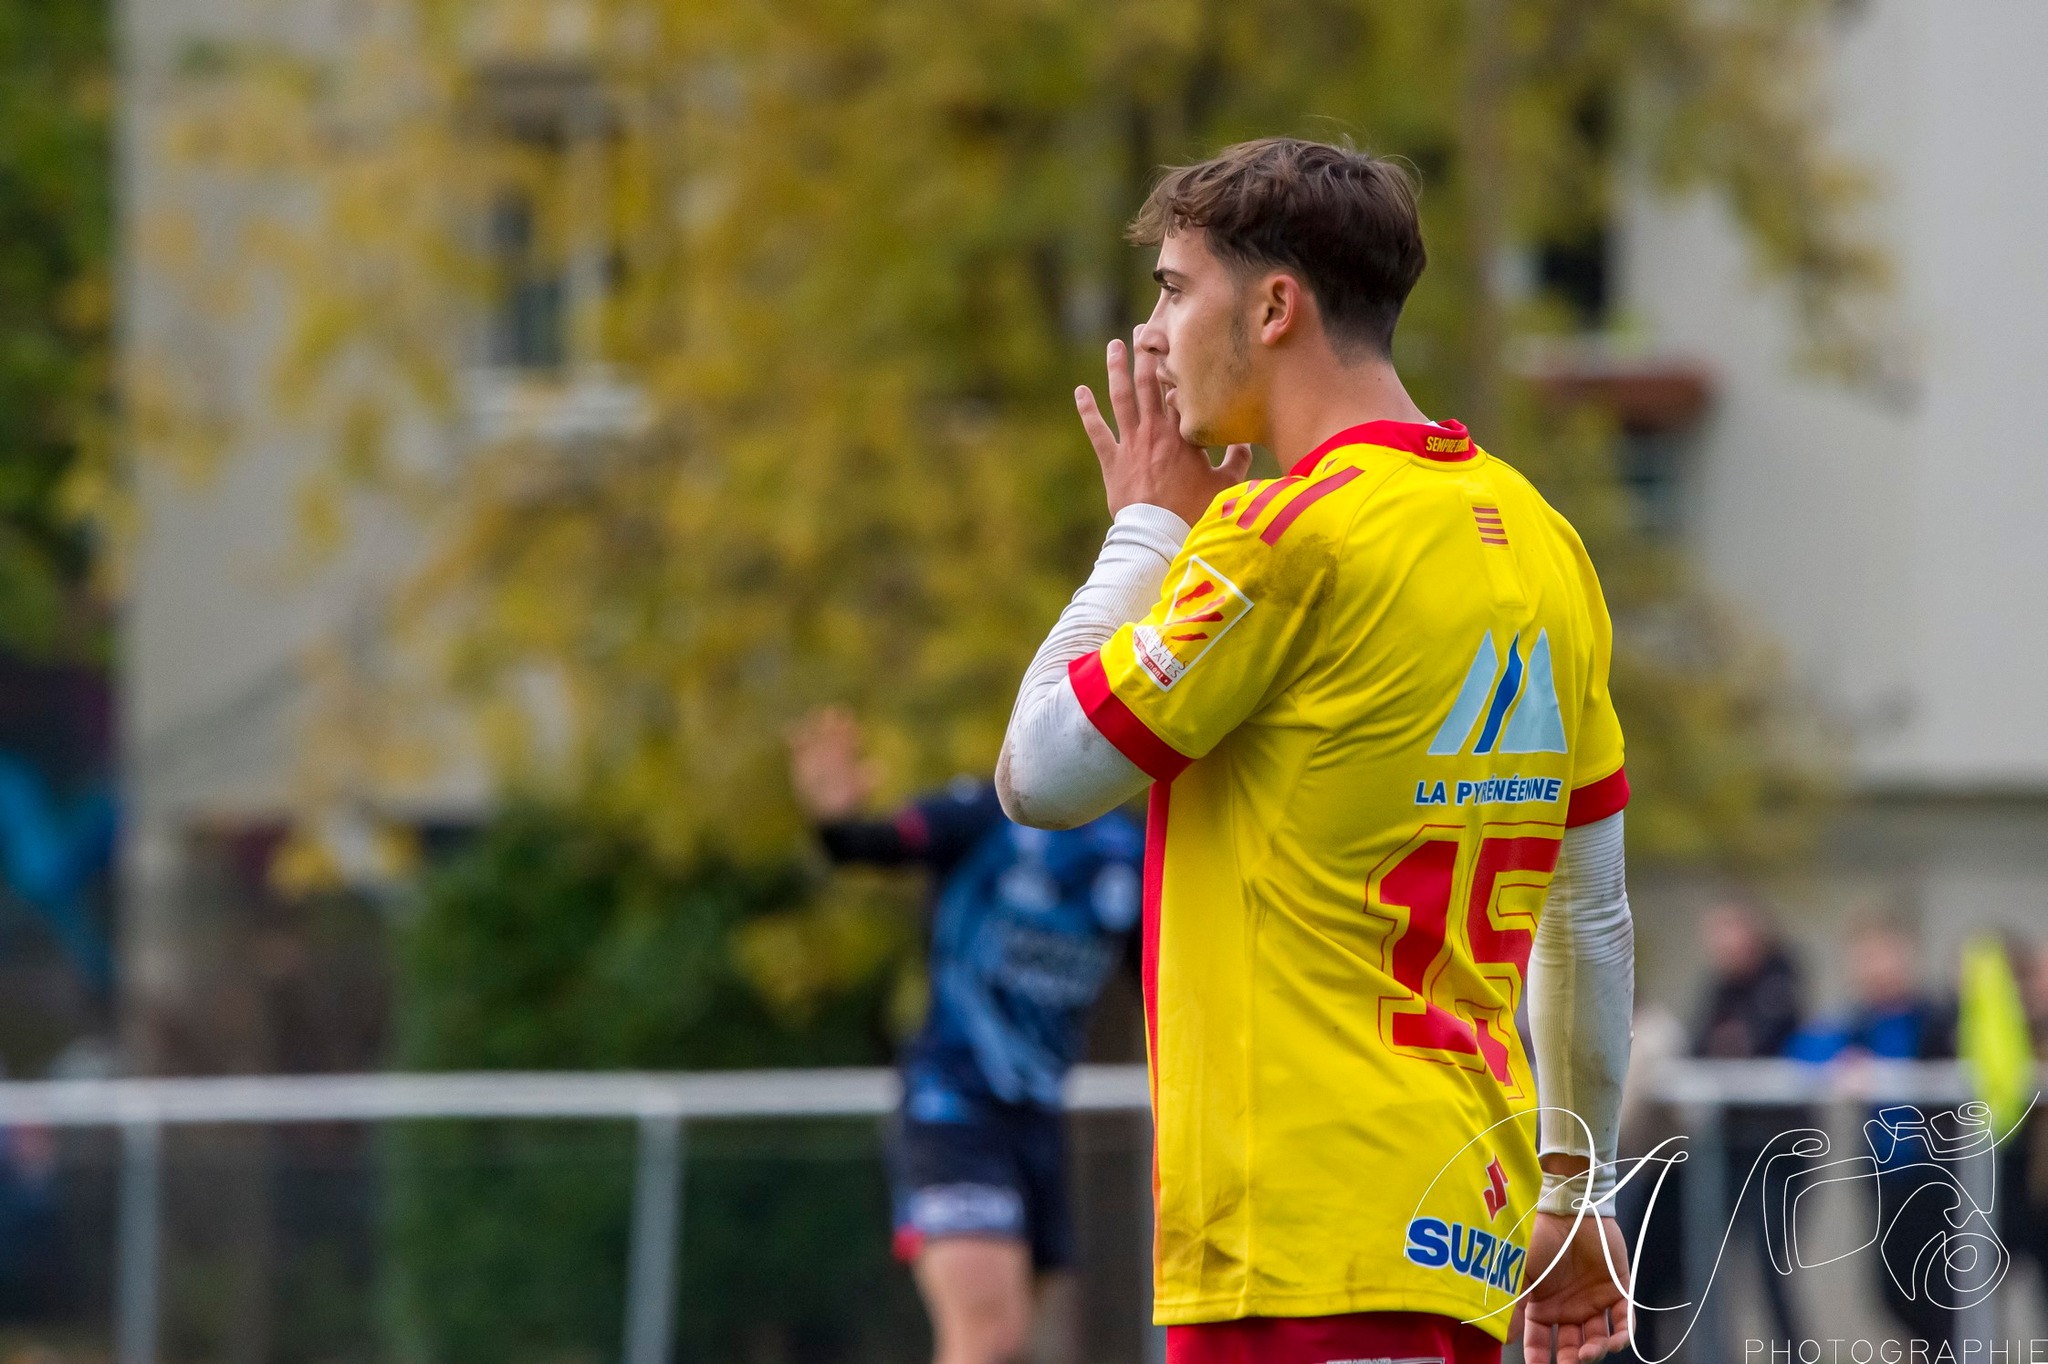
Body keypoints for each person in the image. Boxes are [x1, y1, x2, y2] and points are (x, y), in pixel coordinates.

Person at [997, 138, 1636, 1364]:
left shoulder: (1281, 540)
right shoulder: (1545, 544)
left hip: (1304, 1249)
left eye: (1176, 290)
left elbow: (1038, 769)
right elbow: (1588, 914)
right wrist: (1577, 1188)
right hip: (1459, 1223)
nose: (1154, 331)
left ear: (1274, 305)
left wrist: (1142, 529)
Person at [787, 707, 1144, 1364]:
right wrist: (835, 822)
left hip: (1038, 1116)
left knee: (1011, 1343)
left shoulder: (1126, 854)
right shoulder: (984, 817)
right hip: (952, 1103)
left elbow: (1161, 982)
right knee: (987, 1335)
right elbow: (872, 845)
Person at [1787, 920, 1959, 1345]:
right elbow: (1802, 1050)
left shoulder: (1934, 1016)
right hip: (1883, 1177)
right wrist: (1844, 1062)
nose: (1875, 969)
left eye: (1883, 956)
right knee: (1889, 1294)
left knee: (1938, 1294)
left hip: (1934, 1175)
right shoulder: (1859, 1023)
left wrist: (1880, 1072)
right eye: (1865, 959)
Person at [1689, 899, 1808, 1348]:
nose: (1720, 945)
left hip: (1780, 1152)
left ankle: (1794, 1354)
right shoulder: (1720, 986)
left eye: (1728, 931)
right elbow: (1699, 1044)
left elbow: (1759, 1040)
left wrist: (1733, 1043)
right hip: (1730, 1151)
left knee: (1770, 1267)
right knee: (1709, 1264)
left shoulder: (1781, 978)